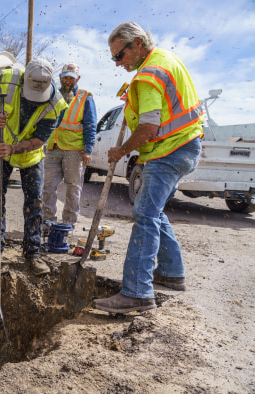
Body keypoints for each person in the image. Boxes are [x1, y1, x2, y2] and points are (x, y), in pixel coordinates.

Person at [93, 22, 203, 313]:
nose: (118, 63)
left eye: (120, 55)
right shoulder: (165, 60)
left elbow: (149, 127)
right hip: (182, 147)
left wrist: (123, 150)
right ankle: (170, 272)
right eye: (114, 58)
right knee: (152, 210)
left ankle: (136, 292)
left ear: (138, 44)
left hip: (169, 150)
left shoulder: (149, 74)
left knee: (144, 214)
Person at [0, 58, 66, 276]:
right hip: (1, 147)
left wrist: (13, 149)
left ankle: (32, 253)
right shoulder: (7, 80)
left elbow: (39, 140)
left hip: (31, 155)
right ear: (24, 79)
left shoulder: (56, 105)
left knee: (35, 203)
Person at [43, 62, 97, 229]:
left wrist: (88, 150)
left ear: (77, 79)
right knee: (48, 187)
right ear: (60, 78)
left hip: (74, 151)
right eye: (65, 78)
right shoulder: (53, 95)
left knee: (73, 188)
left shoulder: (85, 97)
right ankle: (48, 222)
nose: (68, 81)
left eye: (71, 78)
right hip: (53, 148)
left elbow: (90, 125)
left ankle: (68, 224)